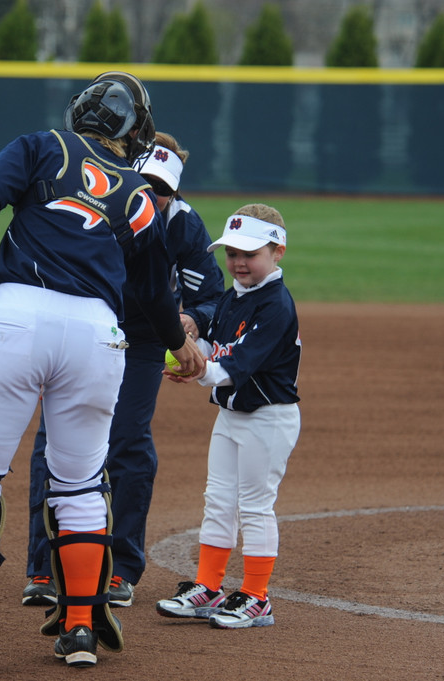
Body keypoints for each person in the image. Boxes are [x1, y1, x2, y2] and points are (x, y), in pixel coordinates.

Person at [0, 71, 205, 671]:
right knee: (81, 482)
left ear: (80, 114)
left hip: (17, 315)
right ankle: (80, 628)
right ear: (137, 134)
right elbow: (149, 293)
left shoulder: (44, 145)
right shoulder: (141, 197)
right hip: (99, 337)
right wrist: (182, 346)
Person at [23, 132, 224, 609]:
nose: (154, 194)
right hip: (83, 328)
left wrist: (192, 320)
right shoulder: (99, 202)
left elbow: (210, 298)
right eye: (145, 182)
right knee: (54, 439)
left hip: (144, 339)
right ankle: (43, 565)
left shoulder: (183, 226)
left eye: (164, 188)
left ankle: (120, 569)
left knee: (128, 440)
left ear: (175, 192)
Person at [154, 203, 301, 629]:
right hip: (232, 417)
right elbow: (214, 351)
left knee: (255, 507)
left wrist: (194, 366)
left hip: (269, 419)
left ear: (278, 252)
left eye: (249, 253)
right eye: (231, 253)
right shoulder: (231, 299)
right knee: (218, 502)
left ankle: (257, 597)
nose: (238, 262)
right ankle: (208, 587)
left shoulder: (276, 306)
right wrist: (192, 358)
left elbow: (228, 368)